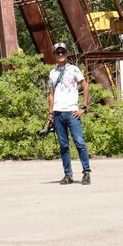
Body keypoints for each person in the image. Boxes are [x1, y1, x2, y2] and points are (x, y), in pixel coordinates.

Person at [48, 42, 91, 185]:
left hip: (72, 112)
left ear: (67, 54)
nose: (60, 55)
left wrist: (83, 107)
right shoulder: (53, 73)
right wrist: (51, 114)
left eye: (63, 52)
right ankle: (68, 174)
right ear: (54, 55)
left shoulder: (74, 69)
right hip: (58, 113)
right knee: (63, 145)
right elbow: (51, 95)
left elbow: (85, 86)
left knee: (79, 142)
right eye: (57, 52)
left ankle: (86, 172)